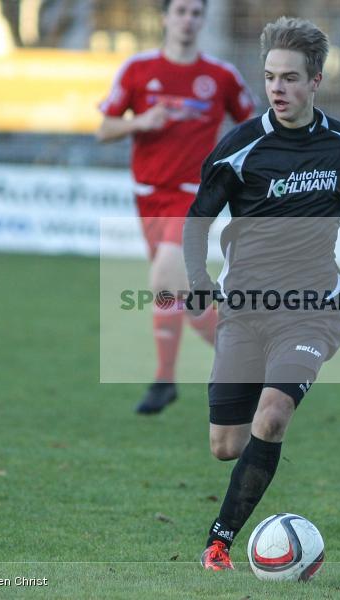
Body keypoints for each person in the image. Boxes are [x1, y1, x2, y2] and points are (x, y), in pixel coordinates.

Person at [184, 16, 340, 571]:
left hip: (311, 312)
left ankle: (219, 541)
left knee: (272, 417)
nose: (278, 88)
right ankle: (260, 414)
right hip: (245, 311)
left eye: (291, 78)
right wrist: (200, 281)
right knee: (226, 445)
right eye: (271, 76)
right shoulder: (240, 148)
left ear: (316, 79)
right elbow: (197, 220)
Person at [96, 0, 254, 414]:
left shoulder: (220, 76)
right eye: (180, 11)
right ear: (164, 17)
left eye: (195, 13)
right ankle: (242, 358)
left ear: (202, 21)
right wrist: (139, 122)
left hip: (194, 195)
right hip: (147, 195)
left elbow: (253, 125)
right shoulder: (138, 69)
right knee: (177, 296)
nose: (188, 19)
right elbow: (104, 128)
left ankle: (165, 378)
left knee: (165, 278)